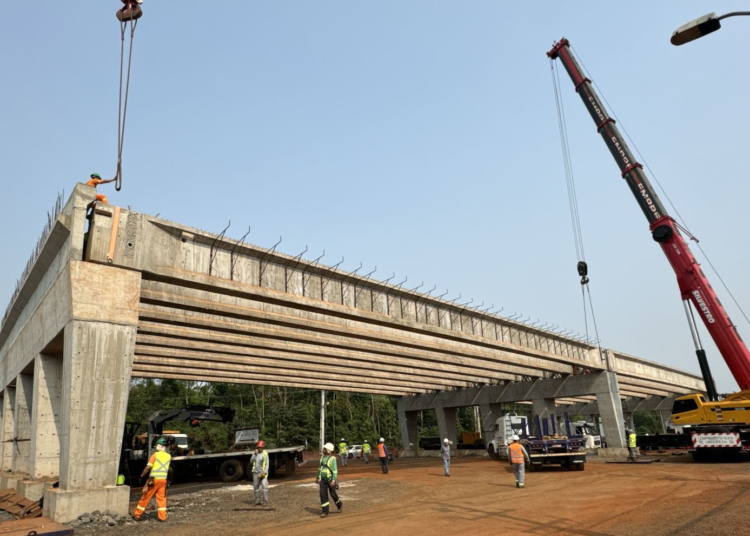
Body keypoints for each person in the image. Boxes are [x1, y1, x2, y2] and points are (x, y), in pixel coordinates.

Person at [134, 437, 171, 521]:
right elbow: (169, 469)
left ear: (159, 446)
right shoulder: (168, 456)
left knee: (146, 497)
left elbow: (148, 467)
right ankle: (162, 517)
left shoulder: (155, 455)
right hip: (163, 480)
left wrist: (142, 475)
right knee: (161, 498)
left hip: (153, 480)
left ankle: (137, 514)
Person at [316, 443, 343, 518]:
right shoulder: (322, 458)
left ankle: (339, 504)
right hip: (323, 480)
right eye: (323, 448)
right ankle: (325, 511)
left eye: (325, 449)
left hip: (330, 480)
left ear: (329, 450)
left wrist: (333, 481)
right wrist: (317, 477)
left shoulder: (333, 459)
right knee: (323, 495)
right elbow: (319, 469)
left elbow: (335, 471)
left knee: (333, 494)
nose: (323, 450)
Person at [250, 440, 269, 506]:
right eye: (258, 447)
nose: (259, 449)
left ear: (263, 447)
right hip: (255, 472)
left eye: (261, 447)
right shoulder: (255, 453)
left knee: (264, 486)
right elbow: (251, 461)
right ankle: (257, 501)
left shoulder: (265, 454)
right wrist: (254, 455)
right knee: (256, 487)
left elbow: (267, 464)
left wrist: (264, 472)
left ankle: (265, 501)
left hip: (262, 472)